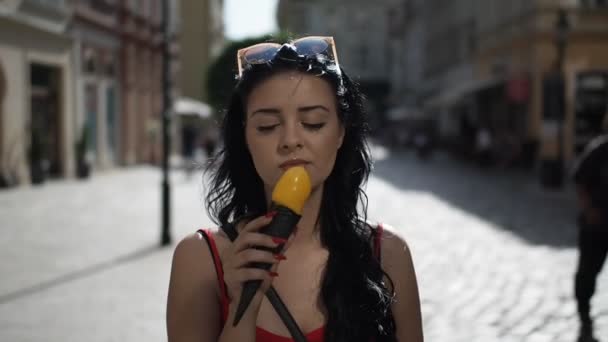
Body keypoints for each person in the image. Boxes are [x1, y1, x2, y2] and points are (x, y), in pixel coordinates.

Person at [166, 36, 423, 342]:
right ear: (245, 138)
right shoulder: (200, 259)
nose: (291, 140)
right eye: (267, 126)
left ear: (341, 133)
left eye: (313, 123)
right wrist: (242, 309)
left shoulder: (387, 253)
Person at [572, 132, 608, 342]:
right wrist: (589, 210)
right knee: (588, 272)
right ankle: (584, 314)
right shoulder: (599, 150)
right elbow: (580, 181)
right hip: (596, 227)